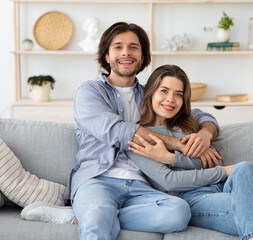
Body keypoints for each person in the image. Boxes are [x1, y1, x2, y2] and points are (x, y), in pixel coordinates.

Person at [21, 22, 221, 240]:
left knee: (178, 212)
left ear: (143, 57)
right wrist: (178, 145)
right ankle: (92, 214)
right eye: (118, 47)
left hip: (143, 184)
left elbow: (197, 114)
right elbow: (117, 131)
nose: (126, 52)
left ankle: (80, 215)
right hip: (98, 179)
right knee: (98, 215)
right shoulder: (90, 92)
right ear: (107, 56)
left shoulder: (150, 94)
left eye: (134, 47)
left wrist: (205, 135)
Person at [124, 64, 253, 240]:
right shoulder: (139, 136)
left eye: (178, 94)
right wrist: (223, 171)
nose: (170, 99)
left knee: (245, 168)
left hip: (220, 189)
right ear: (151, 92)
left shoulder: (189, 125)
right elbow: (170, 181)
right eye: (164, 91)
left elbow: (212, 161)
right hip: (189, 199)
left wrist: (170, 158)